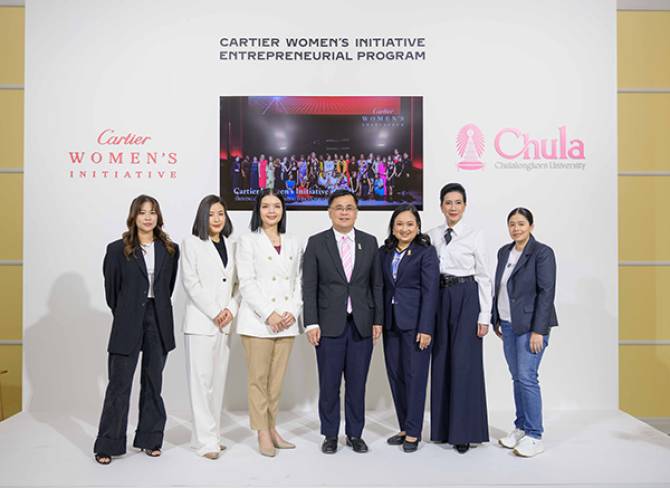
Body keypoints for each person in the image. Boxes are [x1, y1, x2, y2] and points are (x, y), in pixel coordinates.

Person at [94, 195, 179, 465]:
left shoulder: (170, 249)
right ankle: (108, 443)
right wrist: (126, 312)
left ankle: (150, 439)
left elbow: (167, 288)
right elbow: (112, 291)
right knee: (119, 385)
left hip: (158, 319)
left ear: (158, 216)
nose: (148, 217)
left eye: (152, 212)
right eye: (142, 212)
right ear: (134, 216)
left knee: (154, 382)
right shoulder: (117, 250)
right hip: (127, 319)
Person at [303, 189, 384, 455]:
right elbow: (309, 286)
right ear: (330, 212)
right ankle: (330, 434)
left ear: (356, 212)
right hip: (328, 325)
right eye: (339, 208)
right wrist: (311, 322)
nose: (344, 212)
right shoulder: (317, 242)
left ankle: (355, 434)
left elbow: (376, 285)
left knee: (357, 383)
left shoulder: (369, 242)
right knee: (329, 384)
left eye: (349, 208)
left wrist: (378, 320)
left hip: (362, 323)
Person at [236, 189, 303, 457]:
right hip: (258, 322)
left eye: (276, 206)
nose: (271, 211)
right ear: (258, 210)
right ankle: (261, 431)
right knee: (258, 380)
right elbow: (246, 282)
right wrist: (269, 314)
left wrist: (292, 311)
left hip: (286, 321)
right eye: (266, 206)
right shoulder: (247, 241)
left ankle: (273, 428)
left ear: (283, 210)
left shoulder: (294, 241)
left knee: (276, 382)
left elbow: (299, 280)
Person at [427, 183, 491, 454]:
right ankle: (442, 429)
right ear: (441, 206)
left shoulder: (475, 235)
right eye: (448, 202)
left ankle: (464, 432)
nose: (453, 207)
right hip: (440, 296)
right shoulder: (432, 235)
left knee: (464, 363)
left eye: (458, 202)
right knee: (441, 359)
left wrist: (484, 315)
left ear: (464, 206)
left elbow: (484, 276)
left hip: (467, 296)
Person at [491, 207, 557, 458]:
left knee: (527, 377)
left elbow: (546, 292)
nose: (516, 228)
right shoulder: (504, 252)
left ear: (531, 226)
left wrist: (539, 330)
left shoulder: (542, 253)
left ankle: (535, 435)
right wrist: (496, 319)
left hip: (531, 327)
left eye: (521, 223)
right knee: (517, 377)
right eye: (512, 224)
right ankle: (521, 427)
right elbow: (499, 286)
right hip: (508, 324)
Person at [181, 195, 239, 460]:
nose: (217, 219)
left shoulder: (232, 245)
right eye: (211, 214)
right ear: (202, 217)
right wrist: (216, 311)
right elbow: (191, 283)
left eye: (221, 214)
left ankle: (209, 436)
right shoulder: (191, 243)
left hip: (225, 324)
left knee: (217, 382)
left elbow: (238, 284)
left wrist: (230, 310)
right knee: (201, 383)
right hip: (201, 322)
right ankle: (206, 443)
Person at [378, 204, 439, 453]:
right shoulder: (384, 252)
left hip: (415, 324)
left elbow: (431, 292)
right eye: (400, 224)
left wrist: (426, 328)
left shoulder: (426, 252)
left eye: (410, 224)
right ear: (393, 227)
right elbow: (380, 287)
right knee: (396, 375)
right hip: (390, 322)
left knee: (415, 377)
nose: (405, 229)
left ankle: (414, 432)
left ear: (418, 227)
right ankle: (404, 427)